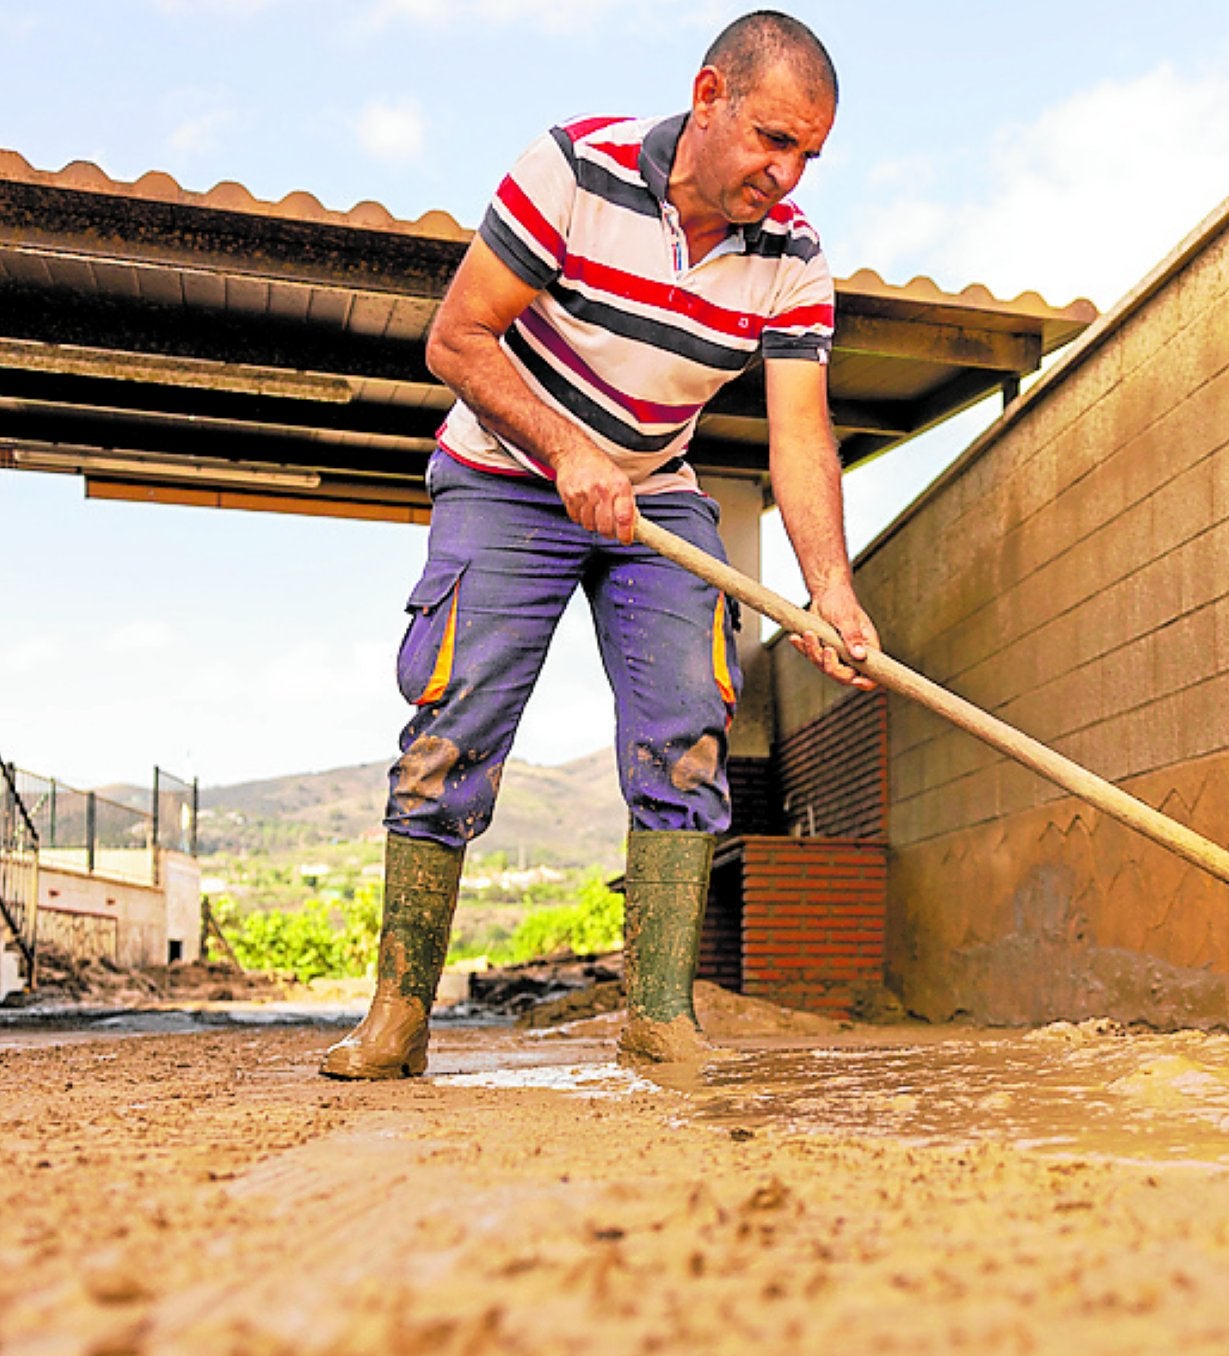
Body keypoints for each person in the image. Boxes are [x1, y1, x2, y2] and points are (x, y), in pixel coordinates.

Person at [322, 11, 876, 1080]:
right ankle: (398, 1016)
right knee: (456, 721)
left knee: (688, 728)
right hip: (504, 473)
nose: (787, 172)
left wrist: (830, 591)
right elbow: (457, 336)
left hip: (652, 494)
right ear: (708, 95)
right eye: (772, 137)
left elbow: (802, 431)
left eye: (808, 152)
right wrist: (569, 450)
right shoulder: (575, 168)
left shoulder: (794, 254)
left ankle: (660, 1017)